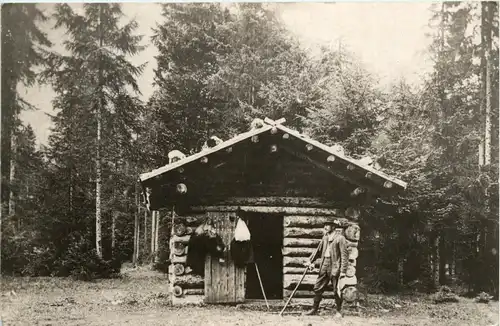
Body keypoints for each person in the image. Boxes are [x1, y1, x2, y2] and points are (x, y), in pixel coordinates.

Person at [303, 219, 349, 317]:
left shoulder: (340, 238)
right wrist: (310, 260)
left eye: (327, 225)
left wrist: (343, 271)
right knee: (318, 287)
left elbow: (345, 256)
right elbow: (318, 251)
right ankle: (314, 309)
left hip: (335, 266)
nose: (325, 227)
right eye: (325, 225)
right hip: (324, 264)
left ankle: (339, 311)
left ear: (333, 227)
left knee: (337, 289)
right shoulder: (325, 238)